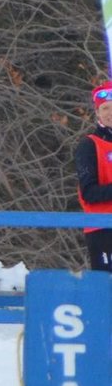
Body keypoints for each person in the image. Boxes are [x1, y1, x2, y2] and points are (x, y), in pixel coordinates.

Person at [76, 76, 112, 273]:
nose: (110, 113)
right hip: (103, 229)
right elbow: (89, 192)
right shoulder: (89, 144)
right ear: (98, 112)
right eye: (105, 108)